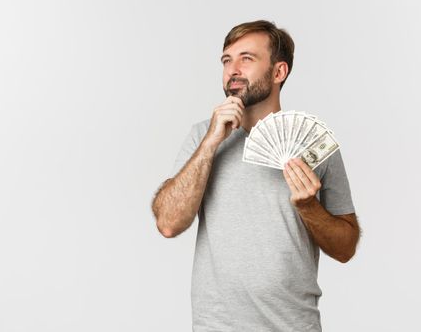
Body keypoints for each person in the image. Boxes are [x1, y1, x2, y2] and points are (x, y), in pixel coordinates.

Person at [151, 20, 360, 331]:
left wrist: (308, 207)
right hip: (217, 326)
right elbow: (168, 223)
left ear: (278, 72)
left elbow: (345, 248)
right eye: (227, 60)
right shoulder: (201, 137)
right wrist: (211, 142)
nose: (233, 69)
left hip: (293, 325)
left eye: (246, 59)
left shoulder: (314, 143)